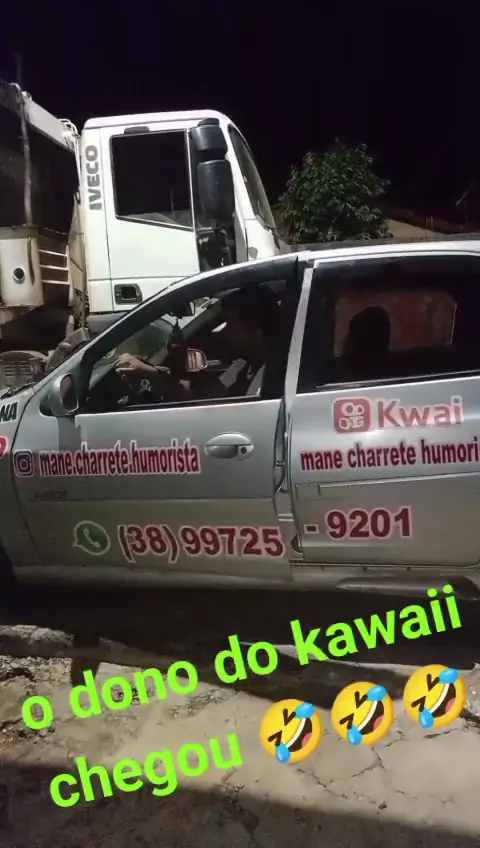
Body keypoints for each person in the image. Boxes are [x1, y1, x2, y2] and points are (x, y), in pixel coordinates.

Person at [115, 285, 282, 402]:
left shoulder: (273, 377)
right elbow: (200, 397)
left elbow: (209, 405)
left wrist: (153, 375)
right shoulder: (241, 366)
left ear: (256, 332)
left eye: (231, 324)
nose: (223, 331)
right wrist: (154, 372)